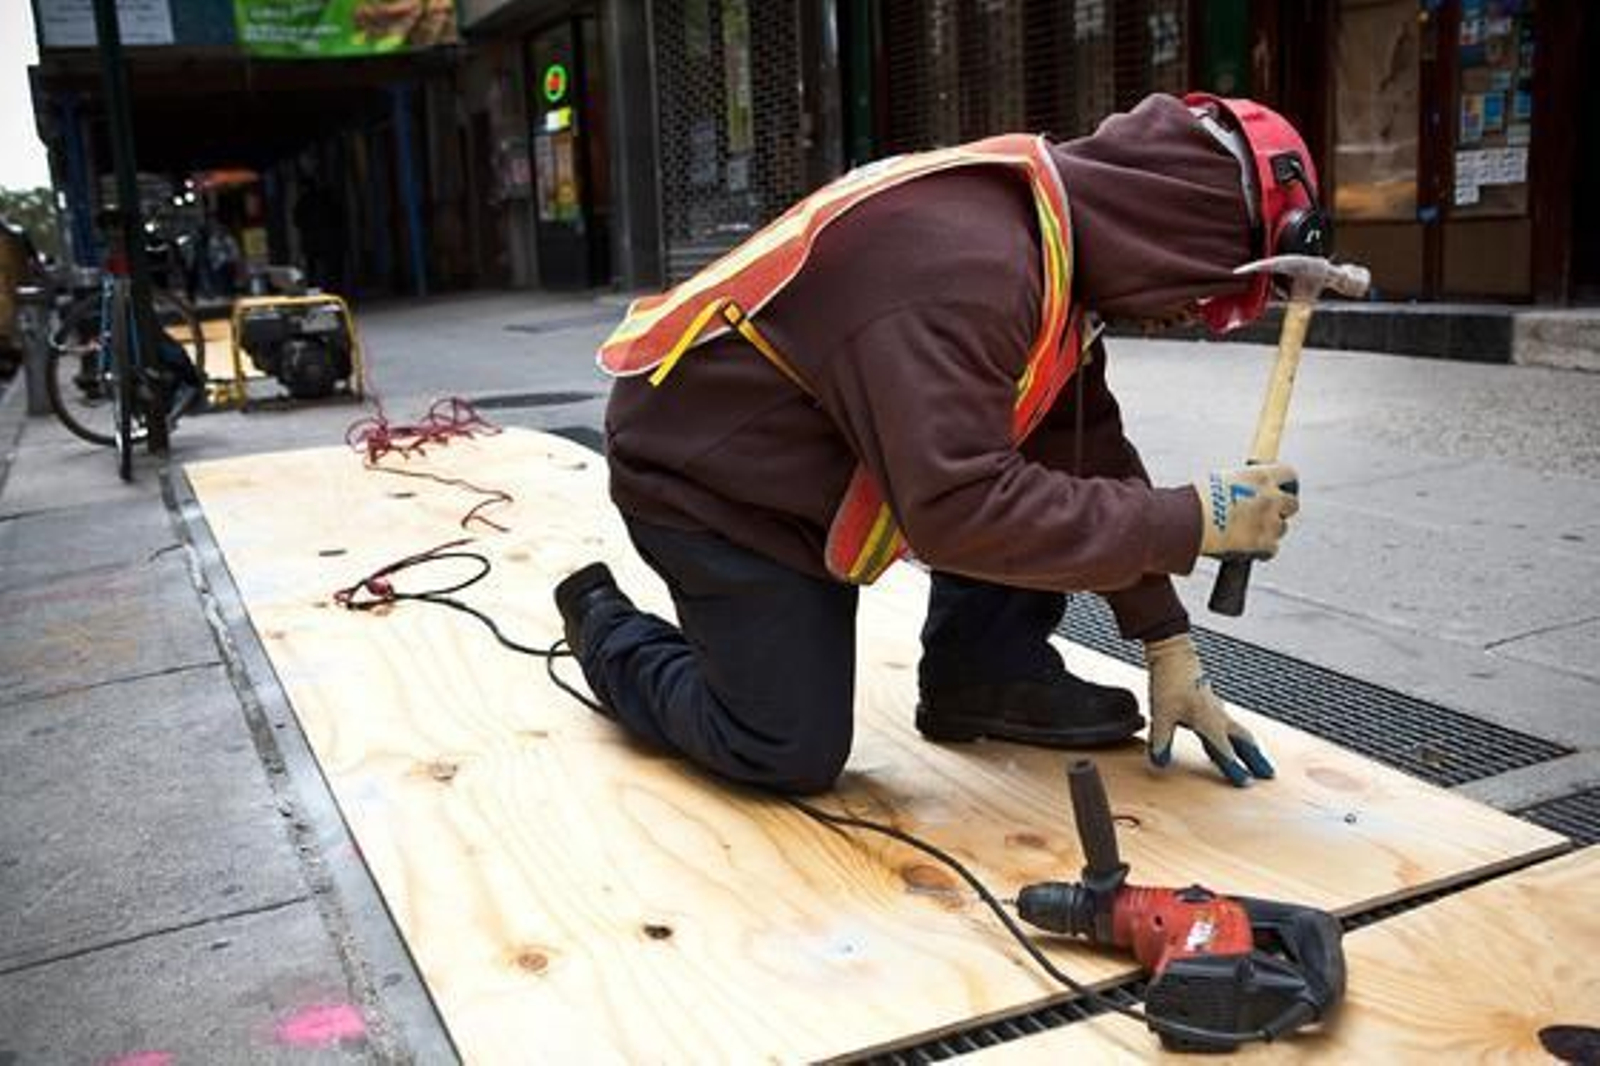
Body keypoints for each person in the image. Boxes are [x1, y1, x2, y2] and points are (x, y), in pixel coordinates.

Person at [556, 93, 1319, 795]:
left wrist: (1165, 639)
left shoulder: (1055, 247)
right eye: (1212, 289)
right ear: (1172, 229)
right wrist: (1194, 520)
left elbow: (1080, 447)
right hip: (712, 476)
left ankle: (980, 673)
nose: (1198, 315)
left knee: (1023, 459)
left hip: (824, 451)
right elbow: (957, 510)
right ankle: (603, 624)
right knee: (783, 748)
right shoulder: (970, 268)